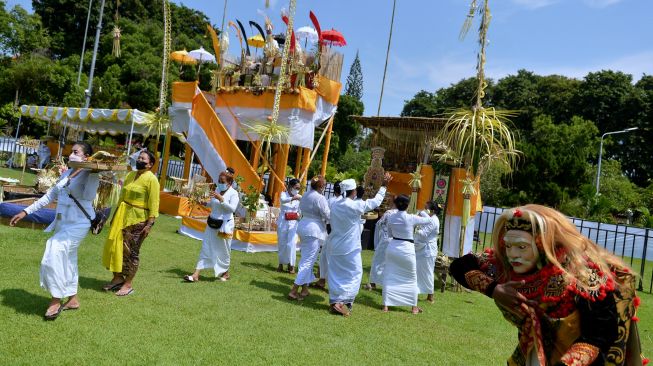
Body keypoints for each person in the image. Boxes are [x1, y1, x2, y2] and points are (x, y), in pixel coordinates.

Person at [449, 204, 644, 366]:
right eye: (508, 246)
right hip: (534, 351)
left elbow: (599, 335)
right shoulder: (503, 264)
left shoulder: (582, 274)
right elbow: (459, 266)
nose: (513, 254)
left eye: (522, 247)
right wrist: (493, 289)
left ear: (542, 245)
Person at [10, 142, 100, 320]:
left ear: (86, 157)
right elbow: (50, 196)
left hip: (79, 223)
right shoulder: (67, 172)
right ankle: (73, 299)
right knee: (68, 260)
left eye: (76, 152)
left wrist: (93, 175)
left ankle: (55, 299)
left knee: (54, 250)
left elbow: (89, 196)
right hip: (63, 222)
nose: (71, 154)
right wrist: (25, 211)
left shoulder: (90, 173)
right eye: (71, 151)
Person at [326, 173, 392, 317]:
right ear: (354, 191)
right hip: (349, 246)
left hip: (335, 244)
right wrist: (384, 186)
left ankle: (335, 300)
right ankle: (341, 302)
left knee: (336, 274)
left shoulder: (336, 204)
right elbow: (375, 202)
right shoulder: (355, 205)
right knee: (356, 274)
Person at [102, 150, 159, 296]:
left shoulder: (152, 180)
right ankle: (117, 278)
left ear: (150, 164)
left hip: (139, 220)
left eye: (143, 159)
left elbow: (154, 203)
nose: (139, 160)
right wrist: (115, 216)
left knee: (131, 252)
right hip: (123, 216)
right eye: (139, 157)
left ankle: (128, 285)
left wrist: (149, 224)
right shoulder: (131, 175)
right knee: (117, 248)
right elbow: (122, 197)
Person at [183, 170, 240, 282]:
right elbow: (213, 204)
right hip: (212, 223)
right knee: (206, 245)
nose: (219, 183)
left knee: (224, 249)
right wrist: (204, 203)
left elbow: (232, 209)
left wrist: (221, 199)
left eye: (222, 181)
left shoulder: (234, 193)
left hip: (225, 225)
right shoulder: (218, 189)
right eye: (218, 181)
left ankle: (225, 272)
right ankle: (196, 274)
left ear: (229, 183)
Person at [382, 195, 433, 314]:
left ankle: (386, 305)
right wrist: (423, 211)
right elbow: (429, 220)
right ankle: (413, 307)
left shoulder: (391, 217)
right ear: (407, 205)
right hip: (406, 249)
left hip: (393, 247)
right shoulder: (411, 217)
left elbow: (389, 234)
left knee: (389, 274)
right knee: (411, 277)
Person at [288, 176, 329, 300]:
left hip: (304, 226)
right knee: (308, 261)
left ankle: (305, 289)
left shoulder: (305, 194)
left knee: (306, 259)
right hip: (313, 230)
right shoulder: (320, 198)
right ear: (321, 187)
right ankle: (294, 290)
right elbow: (327, 214)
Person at [364, 200, 397, 291]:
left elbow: (379, 224)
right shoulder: (403, 214)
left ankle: (372, 283)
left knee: (378, 260)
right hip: (396, 241)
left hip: (386, 239)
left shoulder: (389, 212)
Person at [414, 201, 441, 303]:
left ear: (432, 210)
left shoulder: (433, 220)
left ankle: (430, 296)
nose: (424, 210)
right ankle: (416, 292)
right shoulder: (431, 219)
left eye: (426, 208)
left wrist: (414, 229)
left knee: (427, 272)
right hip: (423, 249)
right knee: (419, 271)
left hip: (427, 250)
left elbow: (424, 234)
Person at [277, 178, 301, 273]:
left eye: (299, 188)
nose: (297, 190)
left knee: (291, 243)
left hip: (294, 222)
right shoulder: (284, 194)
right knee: (282, 243)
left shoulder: (300, 196)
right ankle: (281, 263)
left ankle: (291, 265)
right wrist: (294, 198)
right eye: (296, 187)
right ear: (290, 187)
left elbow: (301, 209)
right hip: (283, 221)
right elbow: (283, 200)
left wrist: (298, 215)